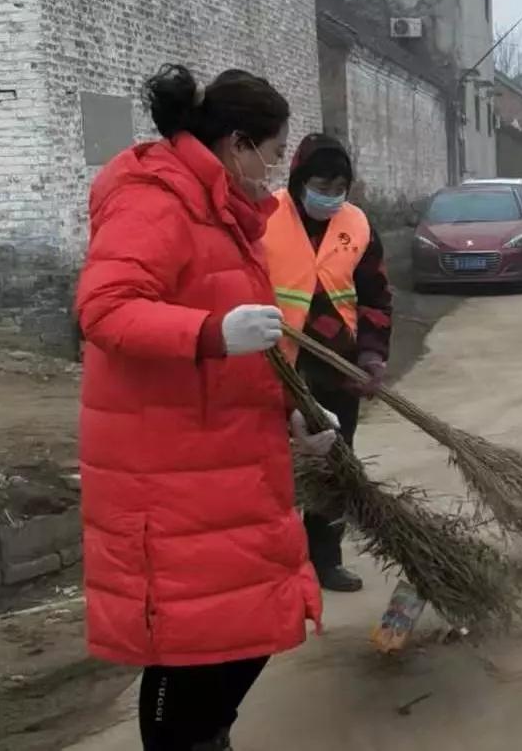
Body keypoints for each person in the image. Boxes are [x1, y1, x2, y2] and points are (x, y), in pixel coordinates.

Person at [76, 64, 333, 750]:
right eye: (273, 156)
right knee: (189, 647)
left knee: (242, 634)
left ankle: (207, 738)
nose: (274, 175)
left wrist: (293, 412)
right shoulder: (154, 199)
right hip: (167, 471)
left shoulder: (221, 209)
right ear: (237, 143)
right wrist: (210, 333)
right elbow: (104, 310)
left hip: (223, 460)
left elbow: (251, 345)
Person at [262, 134, 392, 594]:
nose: (331, 194)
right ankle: (273, 563)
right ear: (300, 179)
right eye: (322, 183)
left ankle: (325, 560)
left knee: (334, 464)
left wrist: (373, 354)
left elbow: (376, 296)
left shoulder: (357, 224)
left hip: (337, 365)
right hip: (275, 365)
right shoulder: (263, 216)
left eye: (340, 185)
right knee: (273, 467)